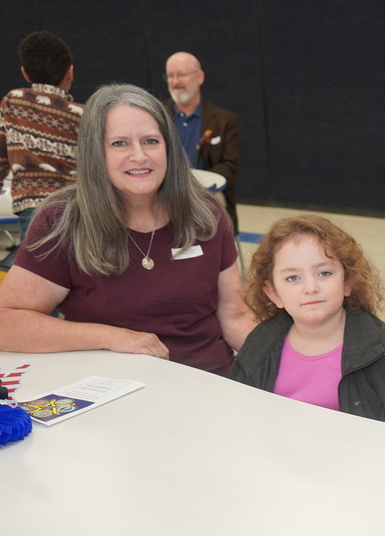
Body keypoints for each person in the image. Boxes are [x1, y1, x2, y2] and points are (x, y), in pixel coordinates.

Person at [0, 83, 256, 376]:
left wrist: (303, 359)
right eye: (119, 143)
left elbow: (235, 318)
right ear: (97, 153)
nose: (139, 156)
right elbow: (6, 323)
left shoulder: (206, 215)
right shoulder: (64, 221)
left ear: (168, 146)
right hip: (114, 393)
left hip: (211, 385)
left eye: (150, 141)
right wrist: (112, 337)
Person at [230, 215, 385, 427]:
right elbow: (238, 418)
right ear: (273, 293)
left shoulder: (380, 349)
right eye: (293, 278)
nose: (310, 287)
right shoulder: (260, 344)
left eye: (324, 273)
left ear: (348, 281)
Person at [0, 31, 82, 270]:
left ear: (25, 73)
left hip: (33, 211)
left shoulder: (12, 102)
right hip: (76, 210)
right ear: (71, 72)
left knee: (38, 280)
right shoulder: (82, 114)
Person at [162, 51, 240, 232]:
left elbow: (230, 166)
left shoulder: (223, 120)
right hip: (164, 195)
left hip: (207, 196)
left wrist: (198, 186)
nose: (175, 82)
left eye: (181, 74)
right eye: (170, 76)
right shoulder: (157, 115)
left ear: (200, 77)